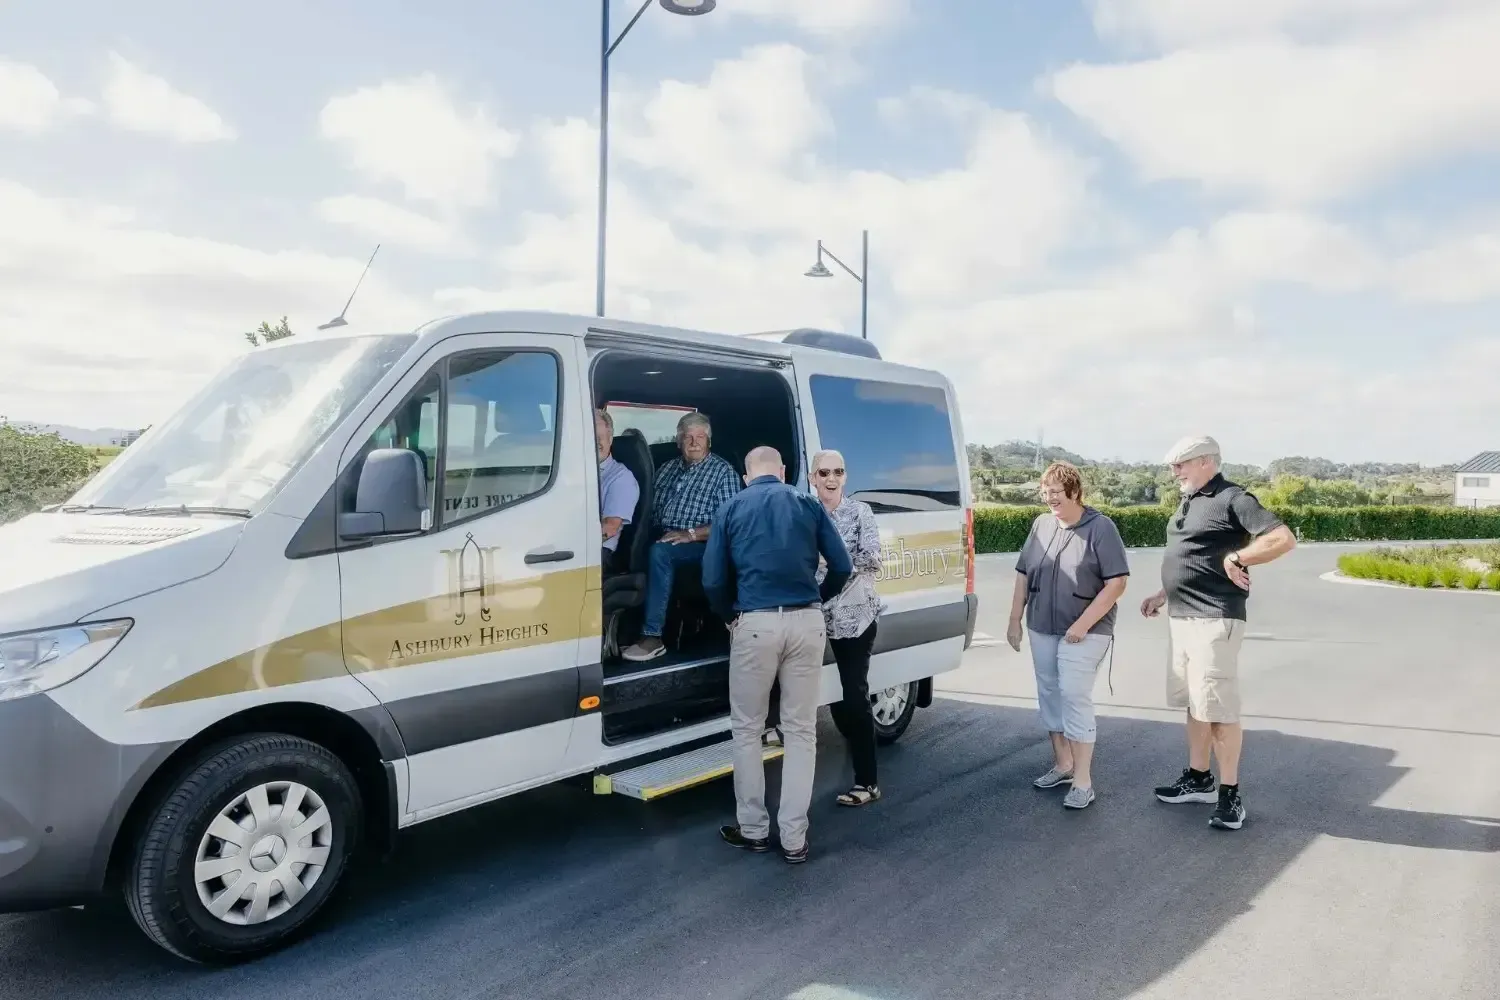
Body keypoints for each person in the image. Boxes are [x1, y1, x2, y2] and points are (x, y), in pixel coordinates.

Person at [702, 445, 852, 864]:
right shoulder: (808, 504)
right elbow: (841, 565)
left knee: (747, 729)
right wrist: (815, 598)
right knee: (801, 730)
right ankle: (794, 838)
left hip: (755, 624)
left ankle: (753, 830)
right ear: (783, 471)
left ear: (746, 476)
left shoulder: (731, 507)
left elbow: (712, 580)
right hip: (807, 623)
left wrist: (730, 616)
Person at [1140, 435, 1297, 831]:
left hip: (1214, 619)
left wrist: (1238, 556)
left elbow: (1283, 538)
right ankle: (1199, 779)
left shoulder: (1232, 498)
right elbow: (1194, 557)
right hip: (1182, 617)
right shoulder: (1190, 499)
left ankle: (1230, 797)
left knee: (1219, 709)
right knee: (1196, 703)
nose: (1174, 471)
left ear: (1206, 462)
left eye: (1181, 464)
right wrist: (1163, 593)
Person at [1006, 461, 1130, 810]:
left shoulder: (1101, 528)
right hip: (1042, 625)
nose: (1050, 499)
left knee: (1074, 694)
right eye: (1045, 493)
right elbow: (1023, 573)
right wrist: (1015, 618)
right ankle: (1063, 764)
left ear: (1075, 492)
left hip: (1086, 630)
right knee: (1049, 692)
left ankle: (1083, 781)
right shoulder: (1041, 525)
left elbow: (1117, 583)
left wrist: (1082, 624)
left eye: (1056, 492)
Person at [621, 411, 741, 662]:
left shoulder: (723, 472)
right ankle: (618, 631)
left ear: (709, 441)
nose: (694, 442)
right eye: (688, 437)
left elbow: (730, 524)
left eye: (700, 437)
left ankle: (652, 636)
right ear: (678, 441)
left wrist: (691, 534)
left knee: (660, 553)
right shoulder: (667, 469)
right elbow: (650, 511)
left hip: (704, 544)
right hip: (664, 534)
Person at [810, 448, 885, 807]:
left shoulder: (860, 512)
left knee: (854, 697)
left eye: (838, 472)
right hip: (812, 613)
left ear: (845, 476)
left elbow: (873, 558)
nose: (831, 478)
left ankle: (867, 783)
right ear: (812, 478)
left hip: (854, 617)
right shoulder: (805, 512)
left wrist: (828, 560)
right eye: (824, 472)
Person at [595, 408, 640, 574]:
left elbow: (610, 528)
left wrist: (572, 544)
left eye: (599, 437)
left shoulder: (621, 478)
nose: (594, 442)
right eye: (589, 437)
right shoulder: (573, 472)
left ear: (610, 439)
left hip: (598, 553)